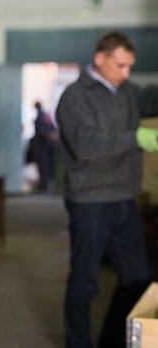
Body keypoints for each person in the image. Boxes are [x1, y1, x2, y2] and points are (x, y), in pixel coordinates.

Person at [56, 31, 158, 348]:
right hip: (90, 201)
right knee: (85, 283)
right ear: (100, 59)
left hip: (124, 199)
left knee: (137, 280)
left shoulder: (126, 91)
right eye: (120, 65)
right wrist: (135, 139)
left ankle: (113, 342)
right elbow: (86, 146)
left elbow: (151, 98)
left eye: (129, 67)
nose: (126, 73)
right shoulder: (75, 97)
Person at [33, 101, 58, 191]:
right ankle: (48, 184)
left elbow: (41, 131)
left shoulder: (40, 117)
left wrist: (50, 135)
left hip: (44, 146)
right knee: (48, 165)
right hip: (49, 145)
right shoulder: (46, 115)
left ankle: (45, 184)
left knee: (44, 165)